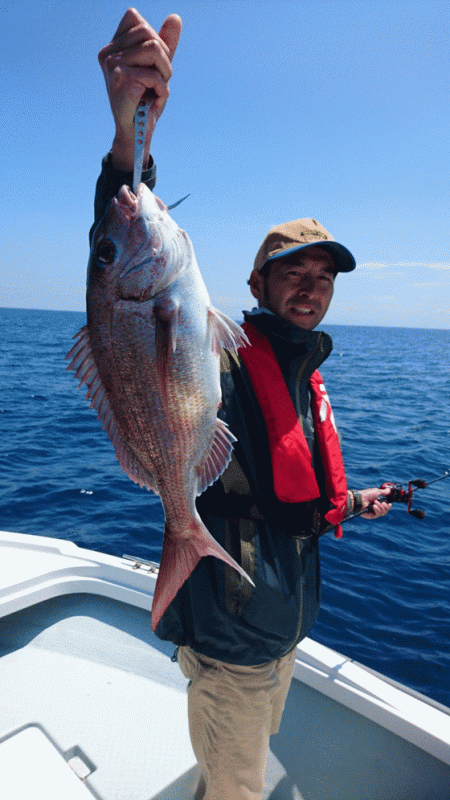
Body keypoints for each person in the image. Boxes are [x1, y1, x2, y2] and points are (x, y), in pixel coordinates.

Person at [95, 10, 392, 800]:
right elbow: (115, 238)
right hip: (232, 640)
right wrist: (132, 138)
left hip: (283, 629)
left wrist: (352, 502)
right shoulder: (223, 346)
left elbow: (281, 490)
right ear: (255, 286)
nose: (310, 287)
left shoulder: (302, 374)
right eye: (293, 271)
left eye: (324, 278)